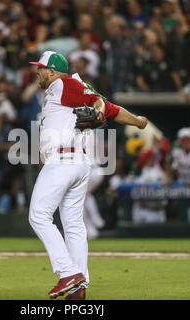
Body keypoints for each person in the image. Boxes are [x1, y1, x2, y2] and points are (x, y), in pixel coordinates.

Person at [28, 51, 147, 300]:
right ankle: (79, 286)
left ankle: (68, 273)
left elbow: (98, 103)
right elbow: (111, 108)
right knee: (72, 224)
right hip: (76, 162)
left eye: (40, 68)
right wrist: (136, 121)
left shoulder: (64, 83)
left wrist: (99, 108)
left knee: (38, 215)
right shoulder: (59, 91)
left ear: (52, 70)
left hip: (64, 161)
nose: (36, 71)